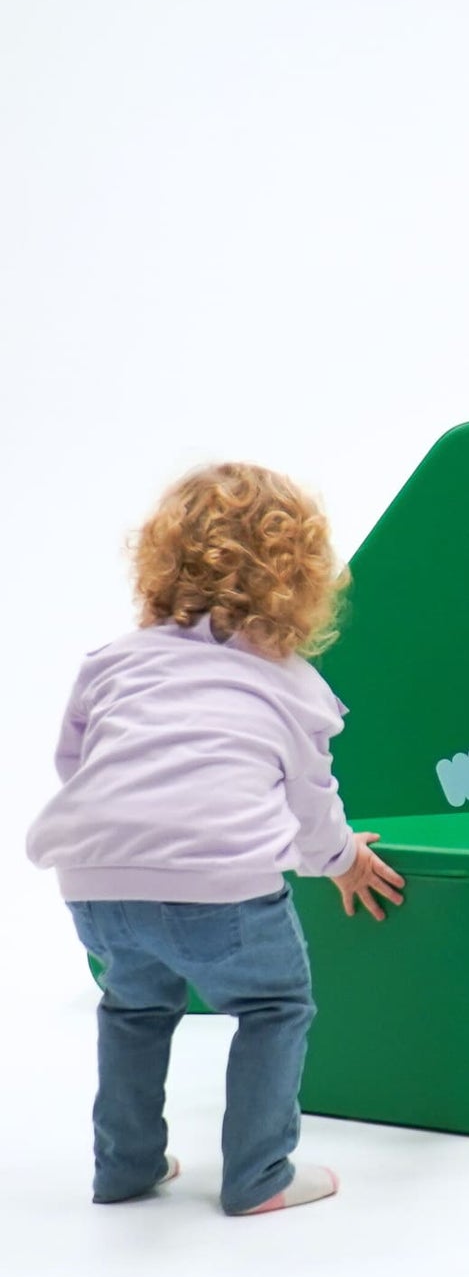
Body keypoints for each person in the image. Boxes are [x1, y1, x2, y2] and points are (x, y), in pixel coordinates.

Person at [26, 463, 405, 1212]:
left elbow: (77, 765)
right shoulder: (290, 682)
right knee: (274, 1005)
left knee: (133, 1008)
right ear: (299, 583)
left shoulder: (112, 664)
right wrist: (341, 860)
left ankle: (125, 1164)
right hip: (219, 898)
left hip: (99, 889)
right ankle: (260, 1173)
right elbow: (309, 802)